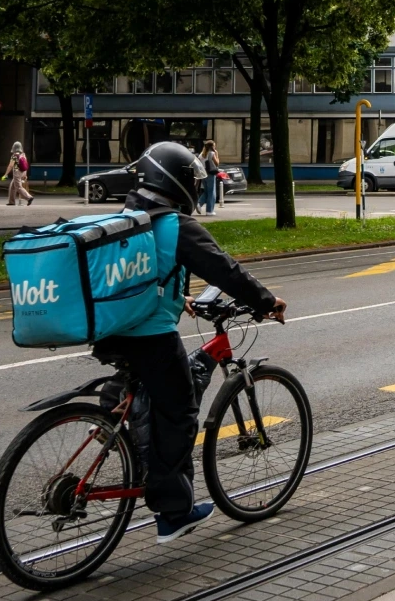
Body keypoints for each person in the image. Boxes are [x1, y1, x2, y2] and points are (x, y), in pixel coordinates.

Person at [98, 142, 287, 544]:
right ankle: (173, 511)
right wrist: (266, 301)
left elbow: (135, 273)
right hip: (149, 336)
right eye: (192, 180)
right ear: (177, 182)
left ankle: (112, 419)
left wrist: (175, 295)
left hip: (113, 329)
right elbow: (225, 270)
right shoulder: (176, 225)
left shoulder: (128, 217)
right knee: (180, 409)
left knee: (146, 389)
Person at [197, 141, 220, 215]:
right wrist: (217, 155)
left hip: (203, 174)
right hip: (210, 174)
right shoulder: (212, 153)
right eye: (214, 145)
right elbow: (217, 163)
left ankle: (199, 204)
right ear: (212, 146)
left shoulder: (201, 154)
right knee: (211, 192)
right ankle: (209, 211)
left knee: (206, 191)